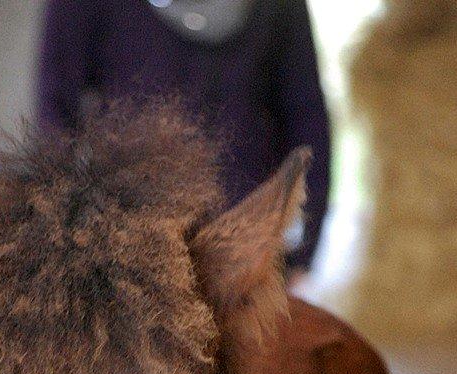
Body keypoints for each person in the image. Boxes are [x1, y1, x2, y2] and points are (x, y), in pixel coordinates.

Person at [37, 0, 331, 276]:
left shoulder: (280, 8)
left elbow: (306, 118)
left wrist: (299, 250)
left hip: (244, 246)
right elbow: (55, 113)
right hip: (128, 242)